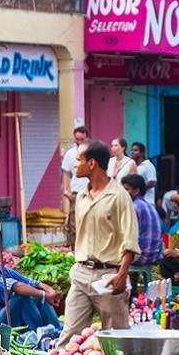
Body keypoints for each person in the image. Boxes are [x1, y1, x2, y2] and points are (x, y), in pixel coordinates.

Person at [59, 141, 138, 340]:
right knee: (70, 336)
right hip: (81, 273)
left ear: (92, 163)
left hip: (109, 276)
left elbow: (130, 239)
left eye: (78, 160)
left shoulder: (119, 196)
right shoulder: (81, 197)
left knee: (116, 339)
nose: (74, 165)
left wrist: (122, 274)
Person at [0, 237, 59, 332]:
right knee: (22, 298)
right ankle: (39, 334)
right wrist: (44, 295)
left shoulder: (1, 270)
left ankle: (57, 330)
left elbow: (30, 282)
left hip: (2, 319)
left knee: (36, 296)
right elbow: (16, 286)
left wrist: (50, 291)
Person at [123, 173, 164, 278]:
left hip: (141, 256)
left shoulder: (134, 207)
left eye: (127, 190)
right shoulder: (150, 206)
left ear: (136, 191)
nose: (124, 193)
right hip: (154, 255)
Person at [61, 123, 90, 242]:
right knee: (73, 223)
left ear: (86, 138)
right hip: (75, 191)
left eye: (82, 139)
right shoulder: (70, 153)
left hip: (90, 190)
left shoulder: (91, 151)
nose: (79, 142)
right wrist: (66, 191)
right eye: (77, 139)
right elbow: (66, 173)